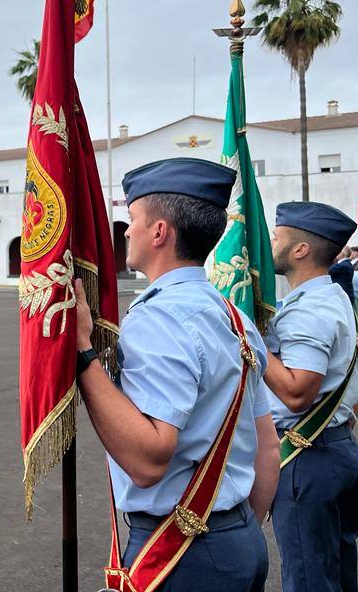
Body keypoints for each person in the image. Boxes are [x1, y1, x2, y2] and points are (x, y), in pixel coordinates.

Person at [76, 157, 277, 591]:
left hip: (182, 552)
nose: (126, 230)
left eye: (132, 218)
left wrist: (83, 353)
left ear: (160, 232)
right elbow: (268, 448)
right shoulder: (234, 318)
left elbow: (149, 460)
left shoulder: (159, 317)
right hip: (238, 539)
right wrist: (236, 531)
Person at [264, 201, 358, 592]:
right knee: (336, 572)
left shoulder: (309, 310)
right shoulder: (331, 297)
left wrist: (251, 342)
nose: (269, 243)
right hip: (334, 446)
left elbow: (296, 393)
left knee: (309, 577)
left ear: (300, 249)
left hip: (308, 456)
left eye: (275, 237)